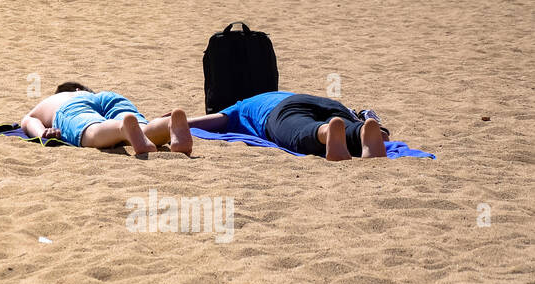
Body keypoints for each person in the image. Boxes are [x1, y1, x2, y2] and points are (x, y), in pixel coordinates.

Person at [174, 92, 388, 160]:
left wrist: (181, 121)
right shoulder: (274, 92)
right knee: (345, 125)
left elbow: (196, 123)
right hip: (327, 103)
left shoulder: (237, 109)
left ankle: (325, 131)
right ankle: (362, 131)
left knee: (299, 131)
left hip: (285, 109)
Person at [21, 82, 193, 155]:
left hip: (73, 108)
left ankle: (122, 129)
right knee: (142, 128)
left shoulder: (59, 99)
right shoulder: (94, 94)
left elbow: (28, 120)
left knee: (92, 129)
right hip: (110, 98)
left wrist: (42, 131)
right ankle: (168, 124)